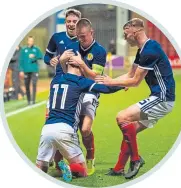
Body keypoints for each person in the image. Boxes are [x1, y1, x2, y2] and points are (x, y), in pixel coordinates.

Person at [95, 18, 175, 179]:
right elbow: (130, 75)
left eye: (126, 34)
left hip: (162, 99)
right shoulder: (142, 50)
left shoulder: (150, 50)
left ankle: (136, 160)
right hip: (159, 99)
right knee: (130, 129)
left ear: (135, 30)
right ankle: (119, 168)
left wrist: (112, 81)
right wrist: (109, 84)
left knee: (122, 116)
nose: (125, 38)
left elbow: (135, 81)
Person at [36, 61, 122, 181]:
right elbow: (106, 89)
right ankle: (69, 168)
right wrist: (123, 84)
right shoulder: (80, 81)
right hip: (66, 130)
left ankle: (54, 167)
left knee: (40, 168)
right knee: (82, 173)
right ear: (80, 68)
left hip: (47, 129)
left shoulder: (55, 80)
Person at [61, 18, 107, 175]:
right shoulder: (72, 47)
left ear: (91, 33)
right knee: (67, 128)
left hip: (90, 91)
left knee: (85, 129)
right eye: (78, 36)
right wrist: (61, 61)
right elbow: (66, 72)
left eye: (83, 36)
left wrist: (81, 64)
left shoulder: (99, 51)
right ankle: (65, 162)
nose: (80, 40)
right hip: (74, 90)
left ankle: (90, 156)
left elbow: (95, 77)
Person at [43, 8, 81, 175]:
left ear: (79, 23)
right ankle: (52, 157)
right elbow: (47, 57)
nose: (71, 24)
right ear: (65, 22)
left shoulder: (83, 40)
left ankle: (72, 158)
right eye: (69, 21)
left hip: (75, 86)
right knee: (50, 118)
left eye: (74, 21)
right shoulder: (56, 38)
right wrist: (51, 59)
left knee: (73, 123)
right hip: (57, 85)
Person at [19, 36, 42, 105]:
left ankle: (33, 100)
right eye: (30, 41)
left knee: (34, 84)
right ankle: (29, 100)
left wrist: (34, 56)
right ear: (27, 41)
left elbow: (41, 56)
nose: (31, 42)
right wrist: (21, 70)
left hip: (34, 70)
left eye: (32, 41)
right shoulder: (23, 50)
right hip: (26, 70)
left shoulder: (36, 49)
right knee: (27, 85)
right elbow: (21, 61)